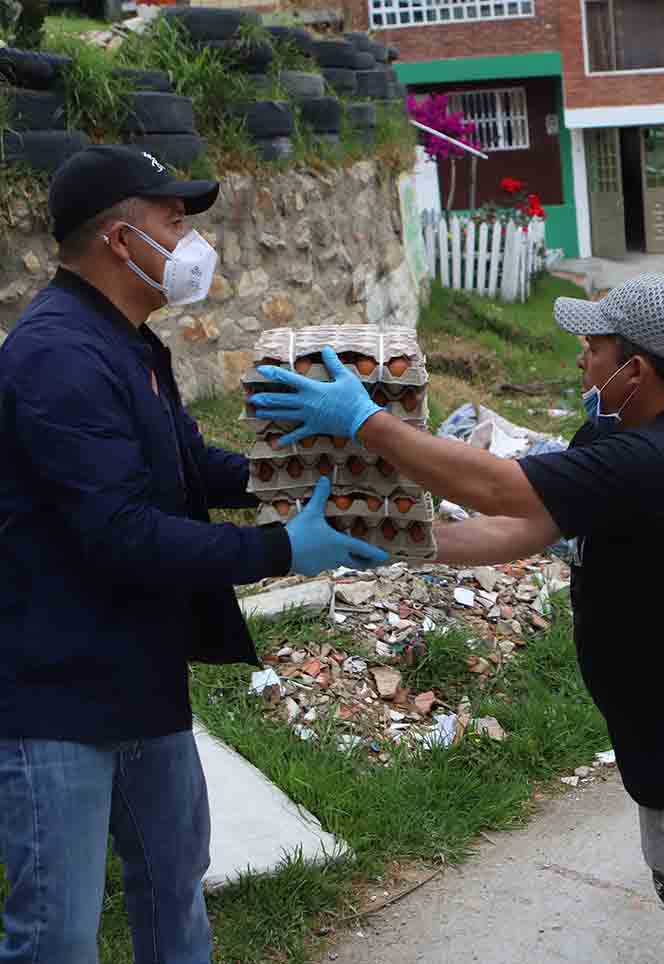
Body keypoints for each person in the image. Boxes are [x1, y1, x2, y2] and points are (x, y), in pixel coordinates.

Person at [249, 273, 664, 964]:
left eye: (593, 348)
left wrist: (366, 422)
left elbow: (498, 486)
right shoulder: (623, 436)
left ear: (635, 369)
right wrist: (382, 547)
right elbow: (523, 528)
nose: (581, 361)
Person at [0, 145, 383, 964]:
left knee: (174, 884)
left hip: (140, 674)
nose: (189, 236)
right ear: (118, 238)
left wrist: (301, 468)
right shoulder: (57, 356)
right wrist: (283, 547)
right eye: (172, 219)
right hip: (56, 694)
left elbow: (187, 468)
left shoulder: (126, 341)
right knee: (56, 935)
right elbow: (121, 532)